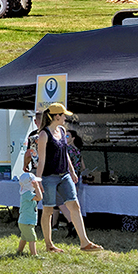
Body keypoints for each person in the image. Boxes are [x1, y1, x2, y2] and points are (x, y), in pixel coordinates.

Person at [36, 103, 102, 253]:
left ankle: (85, 242)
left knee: (75, 206)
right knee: (48, 211)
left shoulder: (61, 130)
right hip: (49, 177)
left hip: (64, 175)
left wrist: (71, 171)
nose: (65, 117)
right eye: (63, 115)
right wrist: (38, 181)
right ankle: (49, 245)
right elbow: (42, 160)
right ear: (56, 116)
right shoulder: (43, 135)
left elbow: (64, 153)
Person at [16, 172, 43, 257]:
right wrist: (37, 187)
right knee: (32, 238)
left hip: (25, 221)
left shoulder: (25, 192)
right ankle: (34, 254)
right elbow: (39, 197)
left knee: (24, 238)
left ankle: (19, 251)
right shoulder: (27, 194)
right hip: (26, 221)